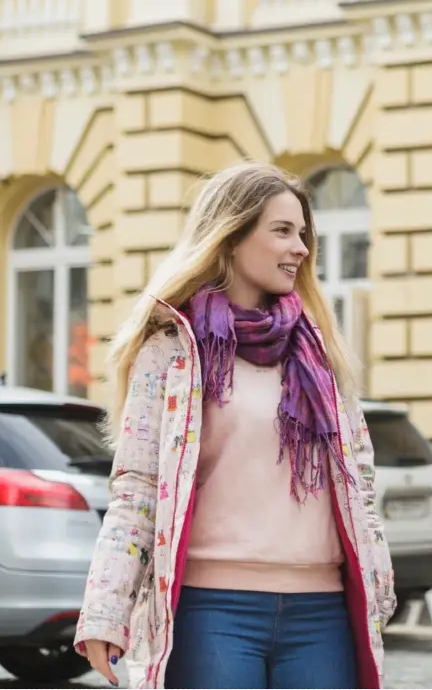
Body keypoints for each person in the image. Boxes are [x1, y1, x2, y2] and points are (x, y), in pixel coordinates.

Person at [74, 162, 396, 690]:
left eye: (303, 234)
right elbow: (138, 487)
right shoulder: (171, 350)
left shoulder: (320, 350)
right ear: (231, 235)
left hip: (323, 612)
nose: (301, 249)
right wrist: (106, 610)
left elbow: (359, 484)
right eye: (282, 231)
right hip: (212, 612)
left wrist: (379, 590)